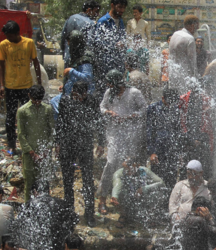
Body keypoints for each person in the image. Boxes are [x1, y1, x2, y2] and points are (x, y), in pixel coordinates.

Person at [97, 69, 147, 214]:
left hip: (130, 134)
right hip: (113, 133)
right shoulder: (109, 93)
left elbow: (144, 108)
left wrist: (131, 116)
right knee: (111, 163)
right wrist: (108, 112)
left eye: (111, 84)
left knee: (126, 166)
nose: (109, 86)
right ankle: (102, 199)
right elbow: (102, 107)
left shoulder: (134, 93)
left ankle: (122, 200)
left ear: (118, 83)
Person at [56, 80, 98, 225]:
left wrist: (101, 143)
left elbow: (98, 121)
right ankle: (69, 213)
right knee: (68, 180)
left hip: (85, 144)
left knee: (87, 180)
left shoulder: (92, 101)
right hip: (68, 144)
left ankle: (90, 214)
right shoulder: (65, 101)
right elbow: (60, 123)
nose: (76, 98)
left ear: (85, 94)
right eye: (74, 94)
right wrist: (58, 143)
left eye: (78, 96)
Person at [0, 20, 42, 153]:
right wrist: (1, 85)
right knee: (10, 117)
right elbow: (1, 65)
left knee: (27, 116)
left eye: (10, 35)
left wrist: (39, 83)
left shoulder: (28, 43)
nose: (8, 38)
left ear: (17, 33)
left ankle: (28, 146)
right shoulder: (4, 45)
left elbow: (35, 62)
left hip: (26, 86)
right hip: (10, 87)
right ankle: (11, 145)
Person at [17, 85, 54, 201]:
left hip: (44, 154)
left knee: (44, 183)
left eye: (39, 100)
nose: (37, 103)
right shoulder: (22, 111)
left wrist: (46, 150)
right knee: (29, 183)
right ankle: (28, 208)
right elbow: (21, 134)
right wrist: (32, 152)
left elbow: (52, 131)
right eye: (35, 100)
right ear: (29, 96)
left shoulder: (47, 109)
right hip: (29, 154)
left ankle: (45, 206)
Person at [169, 15, 199, 90]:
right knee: (184, 98)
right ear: (192, 26)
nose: (197, 28)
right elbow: (192, 61)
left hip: (172, 72)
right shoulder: (190, 39)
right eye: (197, 26)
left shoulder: (175, 34)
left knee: (173, 96)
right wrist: (196, 79)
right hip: (184, 76)